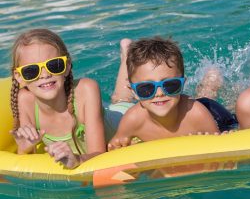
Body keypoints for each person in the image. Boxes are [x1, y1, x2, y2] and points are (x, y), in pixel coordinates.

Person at [108, 37, 236, 149]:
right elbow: (115, 146)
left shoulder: (198, 114)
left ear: (182, 84)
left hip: (213, 113)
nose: (159, 93)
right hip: (184, 106)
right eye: (146, 88)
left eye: (170, 85)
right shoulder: (132, 120)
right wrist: (116, 146)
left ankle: (211, 81)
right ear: (134, 92)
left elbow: (219, 150)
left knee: (208, 99)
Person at [10, 29, 106, 169]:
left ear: (66, 67)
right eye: (31, 71)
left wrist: (78, 160)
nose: (44, 75)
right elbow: (27, 166)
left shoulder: (86, 89)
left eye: (54, 65)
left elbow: (100, 155)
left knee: (121, 101)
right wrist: (25, 149)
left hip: (114, 122)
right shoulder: (25, 100)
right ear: (19, 77)